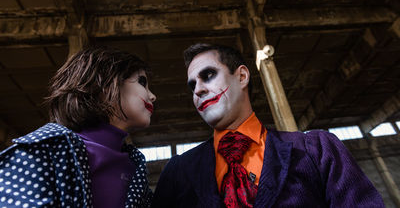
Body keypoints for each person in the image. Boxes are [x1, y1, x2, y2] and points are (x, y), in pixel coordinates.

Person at [152, 43, 384, 208]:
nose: (198, 90)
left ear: (242, 76)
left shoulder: (316, 149)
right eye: (192, 86)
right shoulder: (177, 173)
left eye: (209, 75)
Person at [0, 46, 156, 208]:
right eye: (142, 82)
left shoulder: (135, 164)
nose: (153, 96)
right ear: (105, 84)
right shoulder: (43, 149)